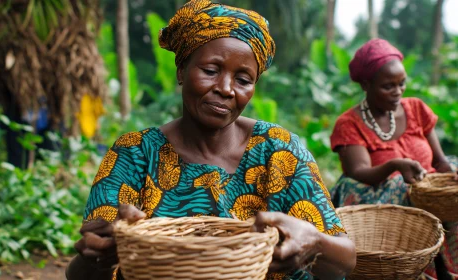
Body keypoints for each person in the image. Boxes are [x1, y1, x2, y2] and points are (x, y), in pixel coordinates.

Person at [66, 1, 356, 279]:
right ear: (181, 71)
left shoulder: (279, 151)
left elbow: (344, 260)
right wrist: (101, 256)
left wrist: (315, 242)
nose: (226, 89)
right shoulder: (134, 154)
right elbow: (82, 270)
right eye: (210, 71)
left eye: (243, 79)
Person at [329, 38, 458, 279]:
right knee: (400, 184)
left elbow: (440, 161)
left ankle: (448, 269)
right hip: (384, 201)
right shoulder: (350, 123)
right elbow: (357, 172)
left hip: (429, 195)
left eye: (402, 83)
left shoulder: (416, 109)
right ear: (366, 84)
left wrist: (450, 174)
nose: (398, 92)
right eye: (388, 86)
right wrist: (394, 166)